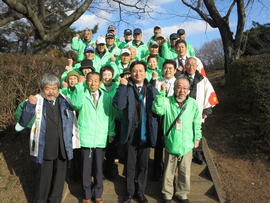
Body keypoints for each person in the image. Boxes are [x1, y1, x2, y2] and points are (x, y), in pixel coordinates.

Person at [14, 75, 79, 203]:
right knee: (42, 178)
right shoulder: (34, 101)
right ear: (42, 89)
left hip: (62, 146)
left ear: (58, 88)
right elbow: (20, 124)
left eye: (54, 88)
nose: (51, 92)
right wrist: (30, 106)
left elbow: (78, 107)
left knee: (59, 180)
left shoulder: (65, 100)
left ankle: (55, 200)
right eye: (47, 88)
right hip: (44, 146)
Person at [113, 61, 158, 203]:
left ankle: (141, 192)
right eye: (134, 71)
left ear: (145, 73)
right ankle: (130, 192)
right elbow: (119, 105)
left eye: (140, 71)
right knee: (130, 164)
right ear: (131, 73)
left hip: (146, 132)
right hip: (131, 132)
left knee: (144, 164)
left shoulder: (151, 89)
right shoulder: (127, 88)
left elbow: (157, 110)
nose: (137, 73)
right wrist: (122, 86)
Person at [152, 77, 202, 203]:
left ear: (189, 90)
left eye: (185, 88)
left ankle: (182, 194)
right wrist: (161, 93)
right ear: (174, 89)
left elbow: (197, 123)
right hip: (171, 142)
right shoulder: (167, 101)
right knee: (169, 172)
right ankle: (167, 194)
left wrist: (197, 138)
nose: (182, 90)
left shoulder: (193, 104)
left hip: (187, 144)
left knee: (185, 172)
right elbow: (157, 109)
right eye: (179, 87)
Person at [70, 72, 115, 203]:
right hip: (86, 138)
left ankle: (98, 193)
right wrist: (79, 85)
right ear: (86, 82)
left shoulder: (107, 97)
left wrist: (111, 132)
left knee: (99, 169)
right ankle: (87, 194)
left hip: (100, 139)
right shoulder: (82, 95)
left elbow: (111, 116)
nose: (93, 83)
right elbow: (75, 105)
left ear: (100, 83)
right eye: (90, 80)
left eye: (96, 81)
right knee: (85, 169)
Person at [180, 57, 219, 165]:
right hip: (183, 111)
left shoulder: (203, 79)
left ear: (197, 66)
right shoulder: (181, 78)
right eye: (188, 64)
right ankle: (184, 153)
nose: (191, 67)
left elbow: (209, 94)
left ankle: (197, 155)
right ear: (185, 66)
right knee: (184, 132)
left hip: (197, 111)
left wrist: (207, 111)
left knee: (197, 133)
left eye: (193, 64)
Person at [150, 60, 177, 181]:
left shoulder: (179, 83)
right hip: (159, 118)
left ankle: (169, 173)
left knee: (171, 146)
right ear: (162, 70)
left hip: (173, 118)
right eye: (165, 68)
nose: (168, 70)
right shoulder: (158, 82)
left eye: (170, 68)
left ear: (175, 70)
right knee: (158, 146)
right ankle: (157, 171)